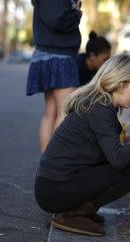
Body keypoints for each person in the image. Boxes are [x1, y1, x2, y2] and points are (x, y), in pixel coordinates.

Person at [34, 54, 130, 236]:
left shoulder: (102, 104)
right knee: (129, 173)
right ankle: (70, 213)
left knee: (129, 171)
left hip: (55, 185)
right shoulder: (100, 109)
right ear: (120, 84)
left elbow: (110, 151)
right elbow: (117, 159)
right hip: (53, 190)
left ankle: (80, 210)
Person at [26, 0, 83, 153]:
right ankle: (54, 164)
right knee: (64, 111)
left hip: (51, 54)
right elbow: (57, 20)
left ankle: (48, 165)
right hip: (59, 57)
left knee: (50, 112)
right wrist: (76, 13)